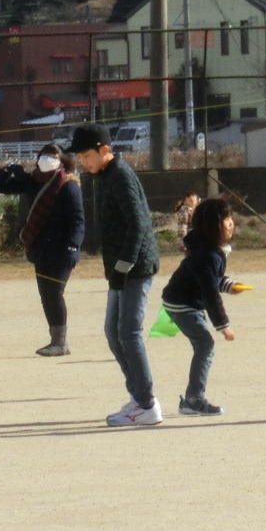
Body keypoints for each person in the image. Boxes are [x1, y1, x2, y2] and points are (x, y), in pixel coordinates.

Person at [67, 122, 162, 428]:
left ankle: (146, 405)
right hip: (120, 270)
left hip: (135, 268)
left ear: (104, 150)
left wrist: (124, 265)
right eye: (80, 156)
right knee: (113, 331)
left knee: (129, 333)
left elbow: (138, 224)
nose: (83, 161)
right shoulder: (104, 176)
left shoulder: (120, 175)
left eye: (86, 155)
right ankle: (138, 397)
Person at [0, 143, 84, 357]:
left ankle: (60, 342)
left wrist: (73, 247)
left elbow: (78, 220)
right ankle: (56, 340)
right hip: (40, 248)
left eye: (52, 156)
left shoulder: (69, 184)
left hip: (62, 249)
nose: (47, 159)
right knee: (46, 294)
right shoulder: (32, 181)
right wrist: (8, 169)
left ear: (62, 160)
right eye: (44, 155)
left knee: (54, 292)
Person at [162, 197, 242, 417]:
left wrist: (228, 285)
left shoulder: (209, 249)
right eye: (226, 219)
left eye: (230, 218)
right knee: (205, 345)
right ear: (212, 226)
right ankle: (193, 400)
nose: (231, 223)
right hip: (182, 304)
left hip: (184, 301)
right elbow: (209, 293)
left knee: (203, 345)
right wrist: (223, 325)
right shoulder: (207, 254)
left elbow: (210, 279)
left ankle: (193, 398)